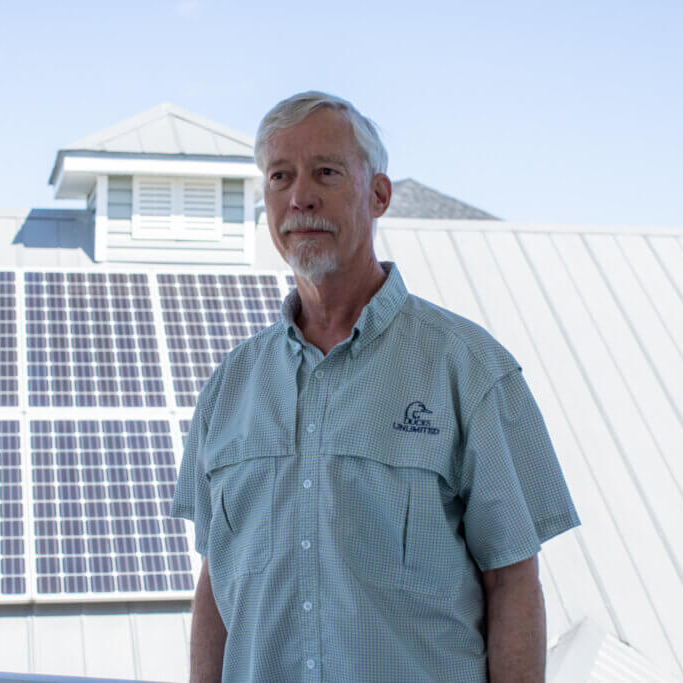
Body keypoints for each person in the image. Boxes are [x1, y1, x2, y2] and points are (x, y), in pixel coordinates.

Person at [171, 91, 580, 682]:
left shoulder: (471, 370)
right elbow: (215, 582)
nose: (299, 196)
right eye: (279, 176)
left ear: (379, 195)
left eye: (326, 173)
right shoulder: (228, 388)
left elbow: (513, 578)